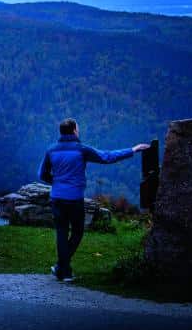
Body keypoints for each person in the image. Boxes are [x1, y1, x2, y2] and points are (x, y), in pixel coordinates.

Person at [37, 118, 149, 282]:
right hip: (74, 199)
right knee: (77, 232)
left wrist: (56, 182)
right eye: (78, 129)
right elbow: (107, 157)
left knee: (61, 232)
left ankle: (62, 269)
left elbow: (42, 174)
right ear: (74, 131)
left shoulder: (51, 150)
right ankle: (63, 269)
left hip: (57, 198)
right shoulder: (81, 150)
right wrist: (133, 149)